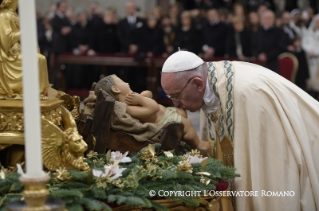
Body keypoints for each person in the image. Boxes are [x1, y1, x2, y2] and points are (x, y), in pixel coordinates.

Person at [160, 50, 319, 211]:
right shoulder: (210, 82)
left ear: (198, 84)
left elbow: (272, 165)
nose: (176, 104)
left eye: (176, 96)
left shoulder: (248, 94)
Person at [94, 74, 211, 152]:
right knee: (187, 125)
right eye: (122, 82)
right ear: (116, 89)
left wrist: (144, 95)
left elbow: (150, 95)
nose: (127, 83)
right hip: (164, 120)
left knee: (181, 112)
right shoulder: (128, 109)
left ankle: (185, 139)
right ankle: (197, 144)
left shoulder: (132, 98)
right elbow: (153, 108)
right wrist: (141, 99)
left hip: (167, 112)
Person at [0, 0, 50, 99]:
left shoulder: (15, 15)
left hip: (15, 52)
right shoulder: (4, 16)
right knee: (39, 59)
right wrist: (24, 31)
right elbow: (6, 40)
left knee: (41, 58)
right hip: (7, 57)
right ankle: (34, 91)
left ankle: (37, 91)